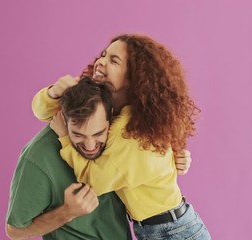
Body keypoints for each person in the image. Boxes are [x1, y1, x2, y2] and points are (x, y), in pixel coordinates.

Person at [34, 34, 211, 239]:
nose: (100, 62)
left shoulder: (132, 132)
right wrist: (54, 93)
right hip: (158, 228)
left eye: (113, 60)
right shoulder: (104, 105)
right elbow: (45, 112)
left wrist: (65, 138)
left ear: (133, 78)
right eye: (103, 55)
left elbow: (94, 182)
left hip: (173, 232)